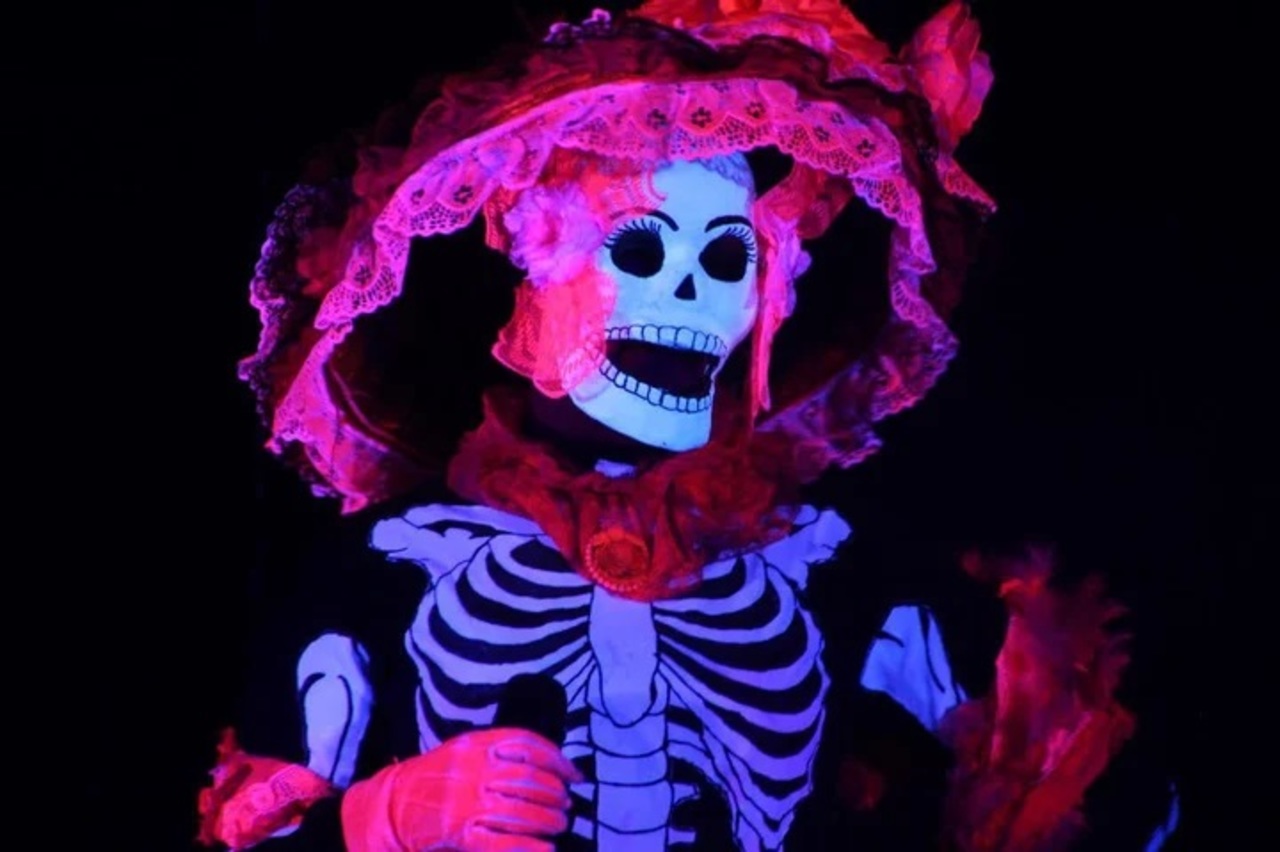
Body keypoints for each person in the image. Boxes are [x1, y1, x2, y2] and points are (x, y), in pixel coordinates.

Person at [198, 2, 1174, 849]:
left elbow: (1118, 805)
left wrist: (1050, 770)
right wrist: (379, 821)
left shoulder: (829, 559)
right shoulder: (389, 563)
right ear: (534, 274)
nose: (690, 295)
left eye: (729, 259)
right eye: (636, 247)